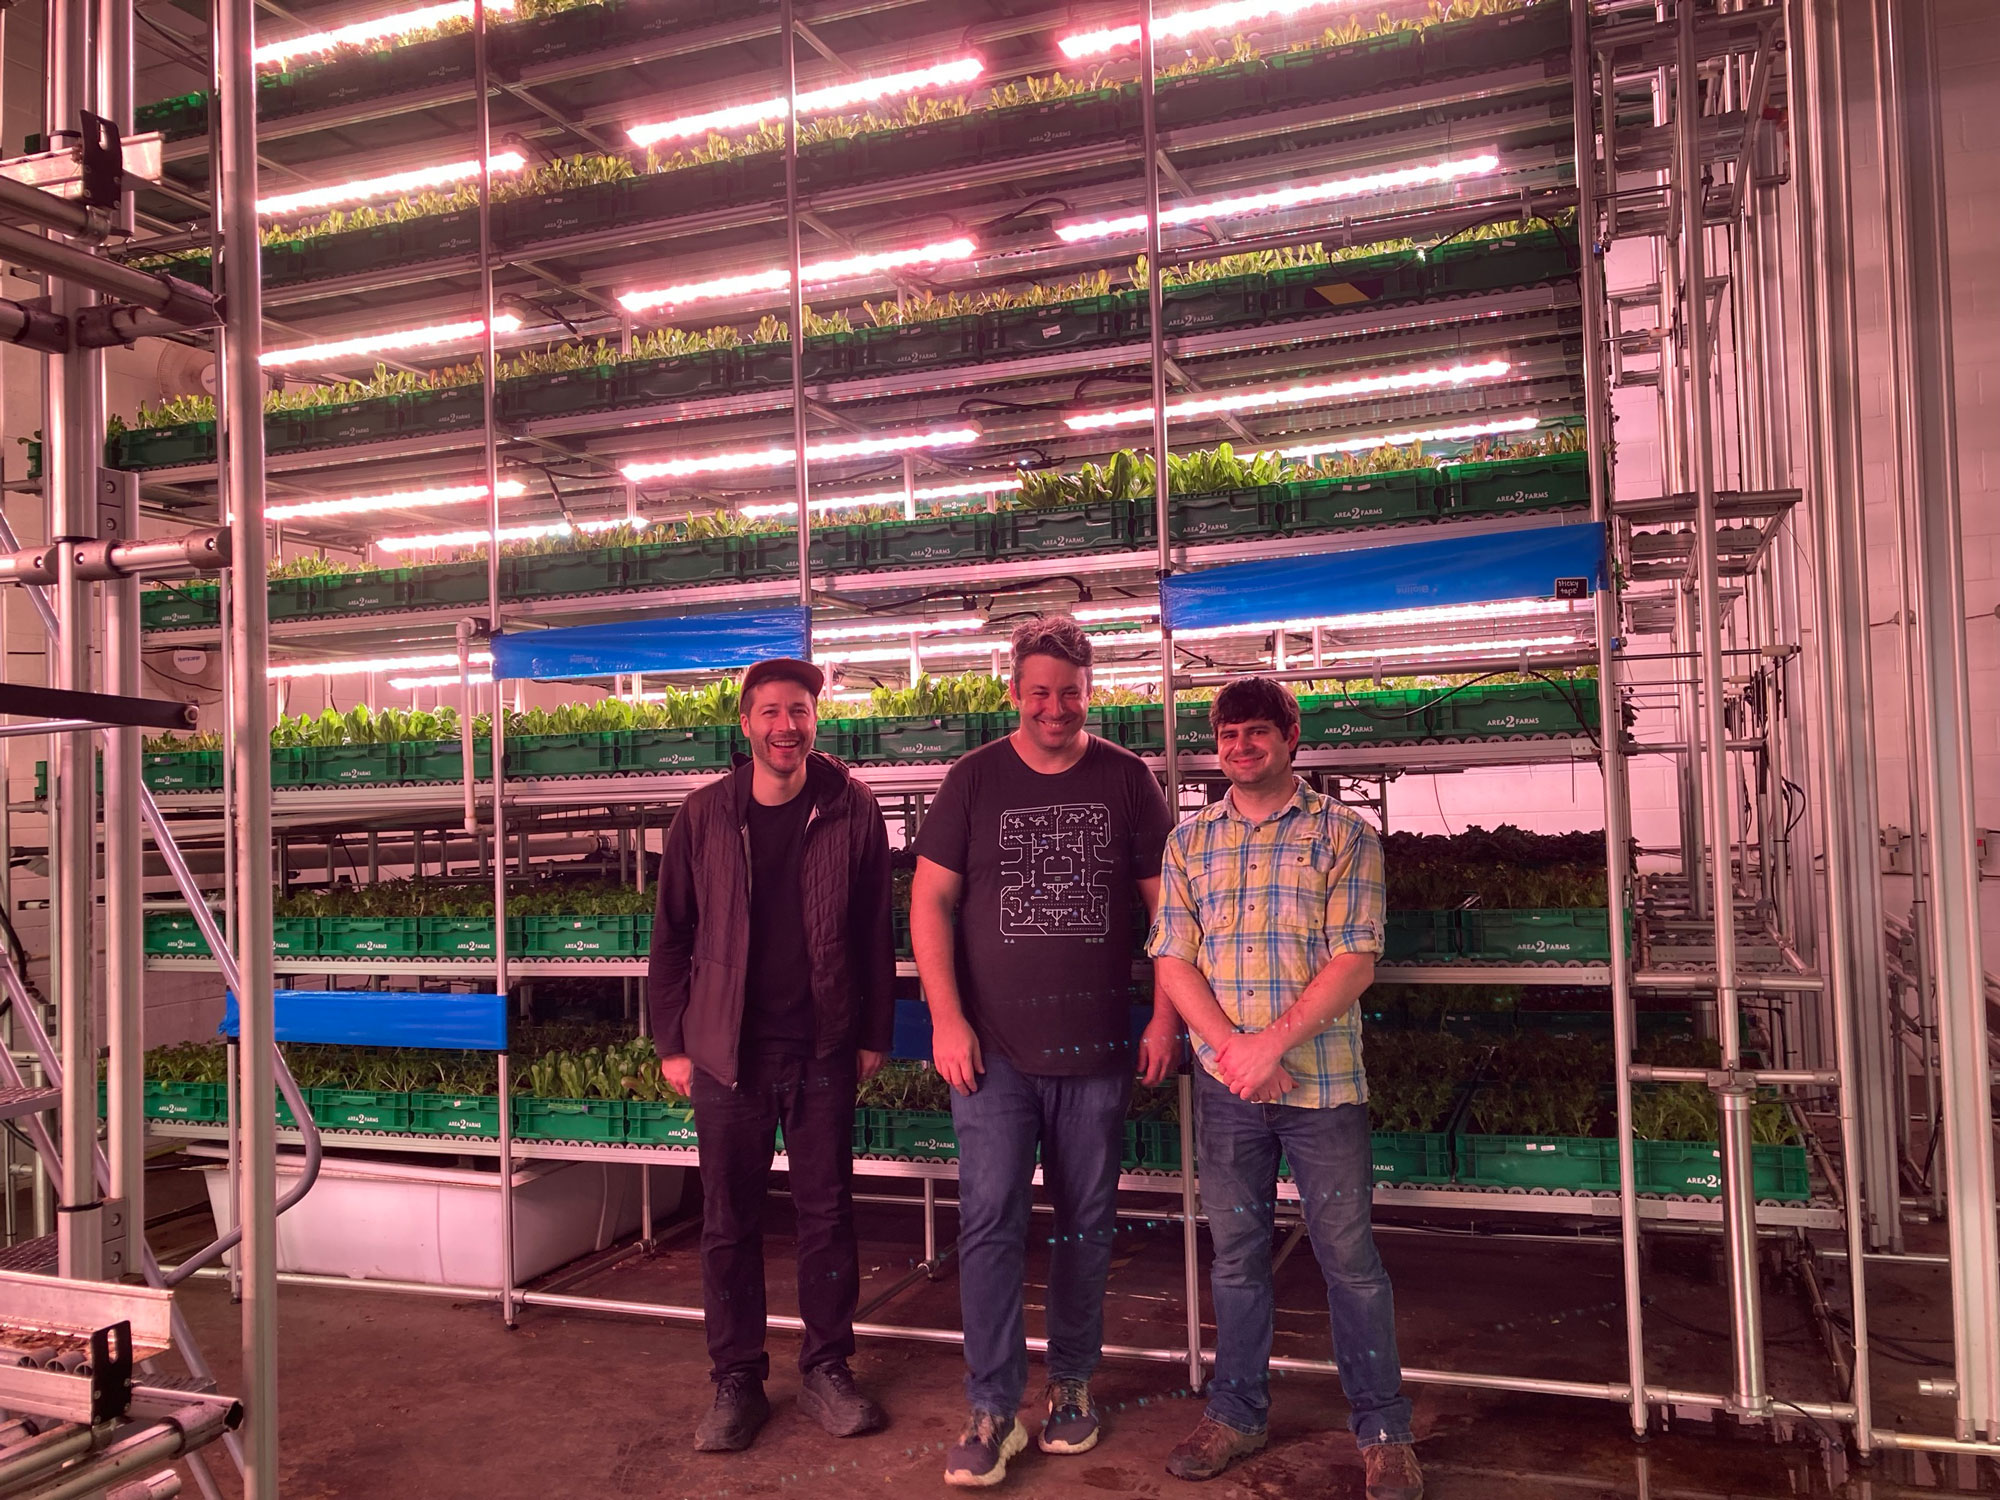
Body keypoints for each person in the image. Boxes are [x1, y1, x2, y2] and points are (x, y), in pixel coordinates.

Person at [910, 613, 1180, 1488]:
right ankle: (991, 1404)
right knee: (990, 1223)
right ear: (1014, 692)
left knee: (1085, 1226)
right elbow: (930, 906)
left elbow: (1168, 912)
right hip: (992, 1056)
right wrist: (946, 1020)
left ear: (1086, 692)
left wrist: (1165, 1019)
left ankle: (1071, 1387)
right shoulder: (973, 779)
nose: (1053, 707)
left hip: (1098, 1051)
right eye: (1038, 692)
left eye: (1068, 692)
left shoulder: (1127, 779)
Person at [1147, 677, 1422, 1500]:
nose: (1241, 746)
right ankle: (1235, 1413)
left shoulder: (1345, 835)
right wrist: (1234, 1049)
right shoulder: (1190, 842)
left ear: (1292, 737)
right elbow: (1172, 956)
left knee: (1350, 1262)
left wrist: (1274, 1044)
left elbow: (1355, 958)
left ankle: (1384, 1430)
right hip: (1231, 1087)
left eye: (1258, 732)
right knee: (1236, 1260)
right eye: (1229, 734)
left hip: (1323, 1086)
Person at [647, 656, 895, 1454]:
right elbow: (672, 936)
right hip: (728, 1054)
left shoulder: (852, 808)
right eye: (771, 713)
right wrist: (673, 1043)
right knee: (728, 1223)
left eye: (800, 712)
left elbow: (871, 932)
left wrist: (871, 1036)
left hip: (821, 1045)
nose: (787, 727)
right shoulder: (705, 816)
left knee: (827, 1216)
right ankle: (736, 1380)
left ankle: (827, 1368)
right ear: (746, 724)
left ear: (815, 719)